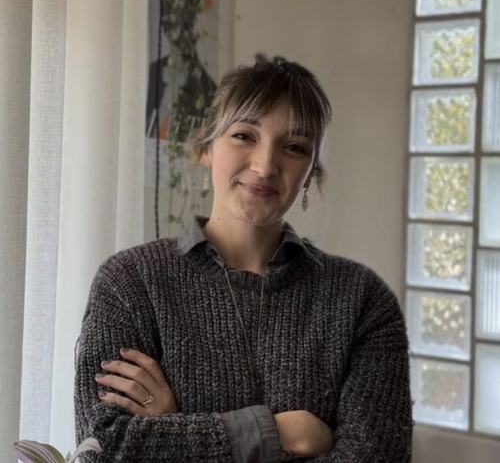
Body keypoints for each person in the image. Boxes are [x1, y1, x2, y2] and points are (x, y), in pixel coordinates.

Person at [74, 55, 413, 462]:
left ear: (310, 172)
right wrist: (279, 433)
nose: (265, 165)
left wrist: (172, 432)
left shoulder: (363, 302)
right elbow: (101, 448)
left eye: (294, 147)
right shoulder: (130, 283)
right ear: (207, 148)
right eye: (243, 136)